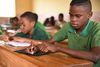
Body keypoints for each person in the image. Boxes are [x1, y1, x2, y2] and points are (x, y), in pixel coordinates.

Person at [36, 0, 100, 67]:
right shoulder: (69, 26)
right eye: (71, 15)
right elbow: (50, 41)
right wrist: (39, 46)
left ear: (89, 15)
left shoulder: (97, 29)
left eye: (78, 16)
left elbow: (95, 56)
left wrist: (58, 48)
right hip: (74, 64)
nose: (73, 19)